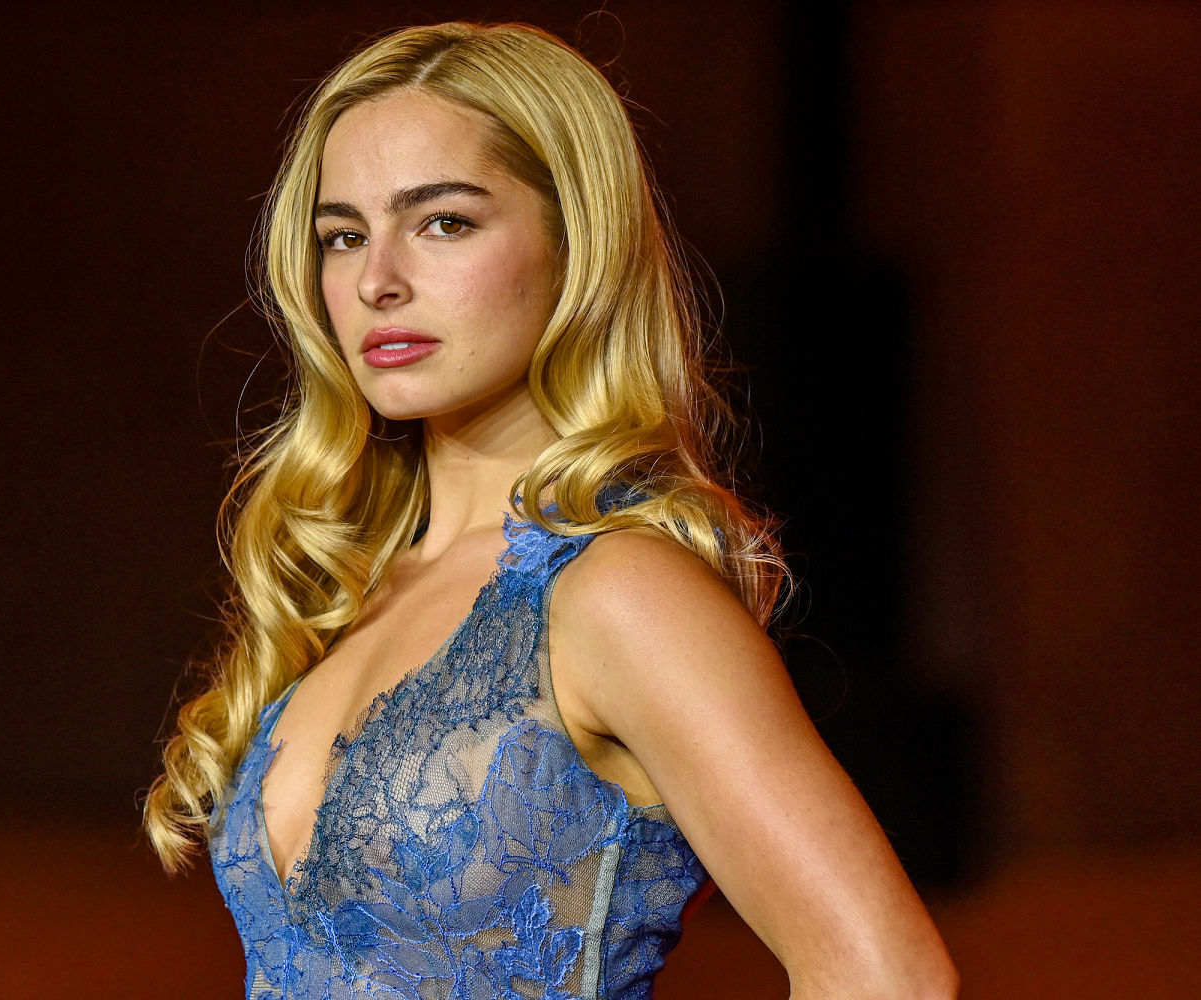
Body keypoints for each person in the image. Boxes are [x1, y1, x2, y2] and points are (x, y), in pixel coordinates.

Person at [146, 21, 957, 1000]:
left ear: (577, 245)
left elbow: (888, 975)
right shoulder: (354, 586)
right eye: (343, 236)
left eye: (444, 223)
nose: (376, 281)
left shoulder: (621, 592)